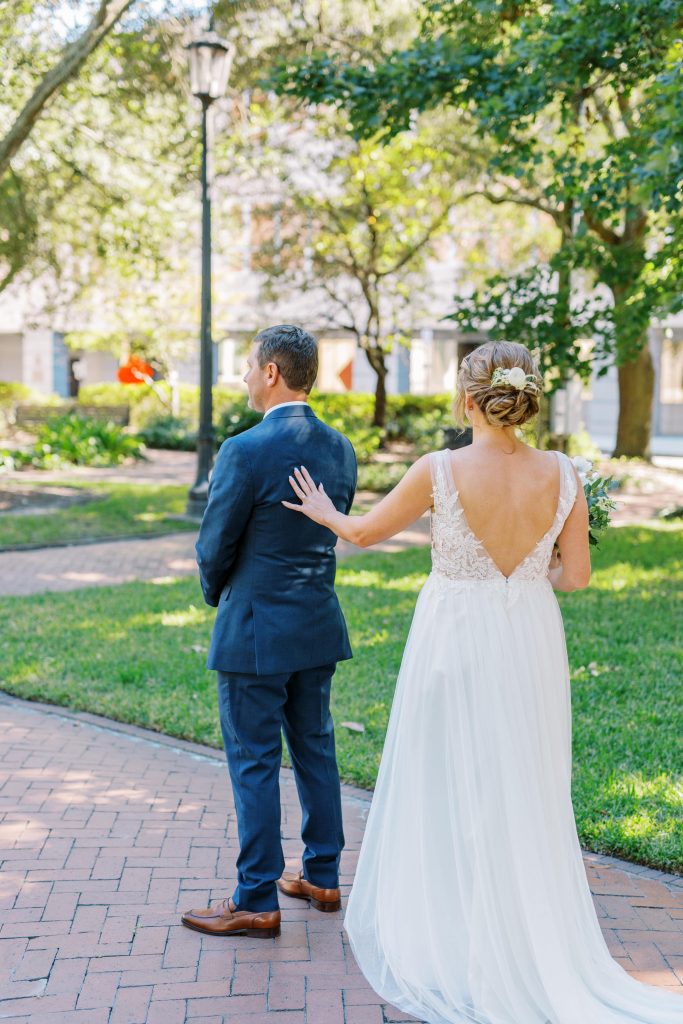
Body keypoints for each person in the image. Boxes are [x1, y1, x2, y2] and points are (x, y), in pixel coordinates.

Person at [283, 340, 683, 1024]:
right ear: (523, 399)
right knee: (522, 783)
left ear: (466, 398)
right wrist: (533, 572)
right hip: (527, 633)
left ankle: (457, 935)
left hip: (455, 632)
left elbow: (363, 533)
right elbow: (577, 576)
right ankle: (523, 936)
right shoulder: (564, 474)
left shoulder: (437, 468)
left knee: (445, 774)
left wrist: (324, 511)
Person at [182, 324, 357, 940]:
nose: (245, 377)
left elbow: (215, 545)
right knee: (316, 749)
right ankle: (323, 875)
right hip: (316, 625)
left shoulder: (244, 449)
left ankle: (256, 897)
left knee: (254, 761)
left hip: (255, 631)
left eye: (249, 366)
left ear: (273, 373)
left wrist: (216, 595)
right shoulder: (341, 449)